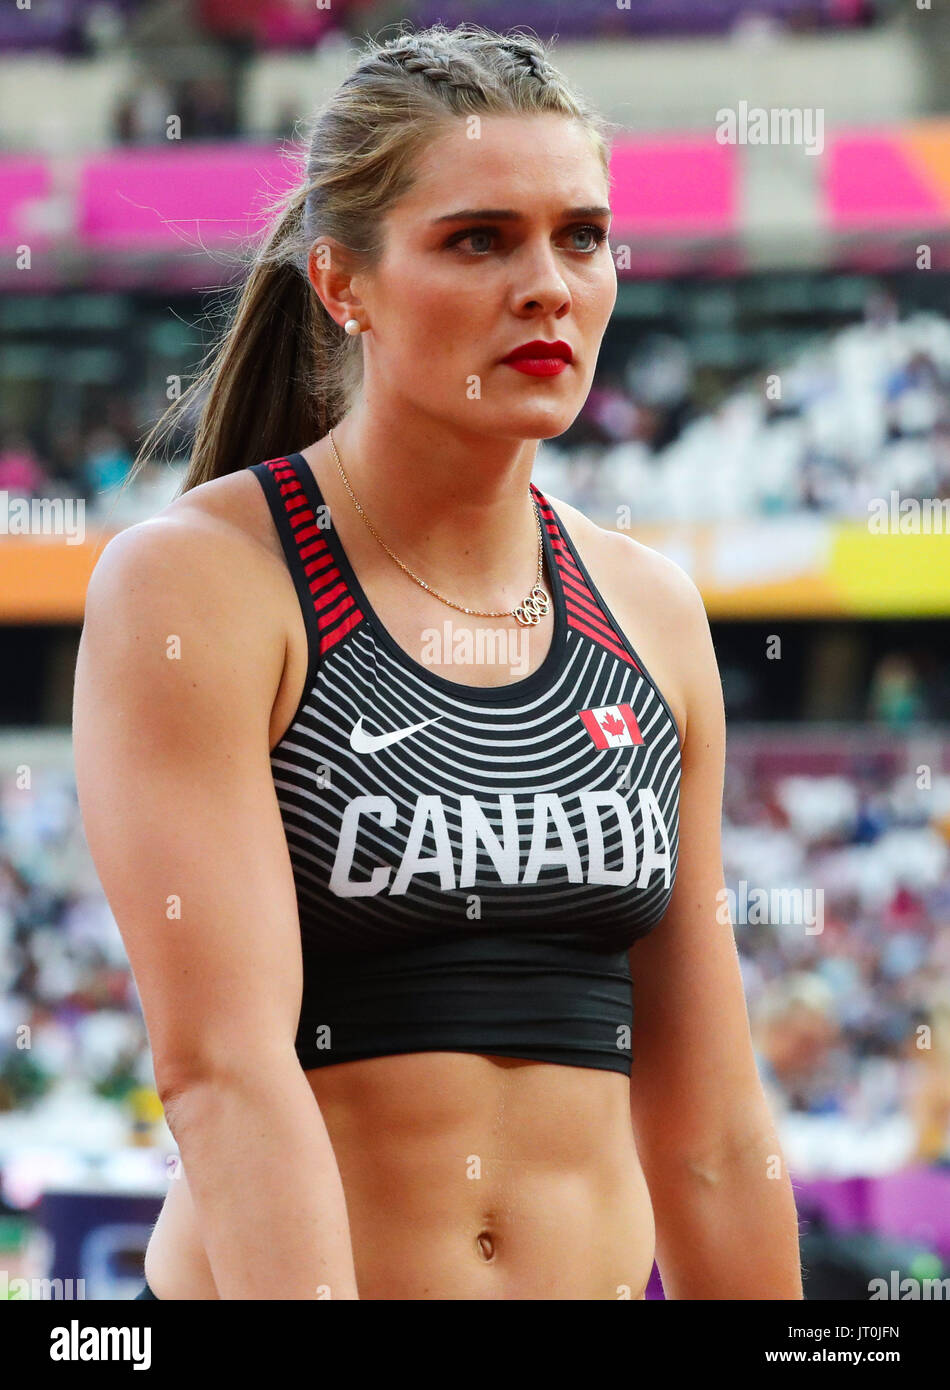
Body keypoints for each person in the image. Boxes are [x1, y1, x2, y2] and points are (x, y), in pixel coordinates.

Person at [72, 22, 802, 1300]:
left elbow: (710, 1131)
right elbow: (223, 1078)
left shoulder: (650, 611)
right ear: (342, 282)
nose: (548, 284)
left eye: (581, 235)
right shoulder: (200, 582)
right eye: (479, 239)